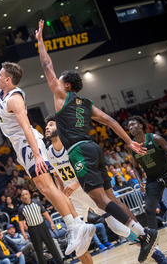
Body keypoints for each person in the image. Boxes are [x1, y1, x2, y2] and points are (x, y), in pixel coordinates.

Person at [0, 37, 93, 256]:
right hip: (24, 147)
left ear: (8, 79)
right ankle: (75, 224)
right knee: (47, 187)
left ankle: (75, 226)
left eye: (0, 74)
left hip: (29, 144)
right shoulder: (0, 90)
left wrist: (36, 155)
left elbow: (26, 127)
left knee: (46, 187)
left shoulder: (14, 99)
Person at [36, 19, 157, 263]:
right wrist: (128, 142)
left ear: (66, 85)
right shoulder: (86, 104)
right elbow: (111, 121)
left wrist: (40, 40)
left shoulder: (62, 97)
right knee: (111, 200)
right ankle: (143, 233)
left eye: (59, 80)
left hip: (79, 152)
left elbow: (47, 63)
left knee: (100, 200)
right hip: (94, 148)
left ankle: (144, 234)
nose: (54, 82)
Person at [127, 116, 167, 231]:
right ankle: (154, 244)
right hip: (152, 179)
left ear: (141, 125)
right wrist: (140, 182)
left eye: (133, 124)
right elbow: (136, 167)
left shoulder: (155, 138)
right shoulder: (131, 147)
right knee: (149, 209)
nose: (130, 127)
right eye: (129, 126)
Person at [18, 190, 65, 264]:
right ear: (21, 197)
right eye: (23, 195)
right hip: (33, 230)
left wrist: (51, 223)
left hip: (42, 226)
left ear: (29, 195)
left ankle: (60, 262)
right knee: (38, 250)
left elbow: (45, 213)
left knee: (51, 245)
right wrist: (23, 232)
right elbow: (20, 221)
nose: (25, 196)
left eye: (26, 194)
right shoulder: (21, 208)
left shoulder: (37, 203)